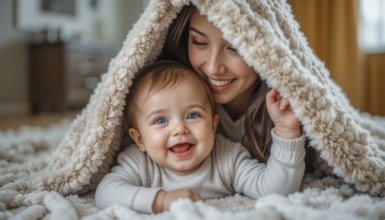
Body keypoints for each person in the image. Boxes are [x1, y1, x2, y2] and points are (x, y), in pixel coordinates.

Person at [95, 60, 306, 214]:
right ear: (139, 139)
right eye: (160, 121)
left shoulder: (227, 157)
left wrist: (287, 132)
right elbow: (105, 192)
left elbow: (276, 189)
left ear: (213, 125)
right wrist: (161, 201)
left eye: (193, 115)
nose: (179, 129)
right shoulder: (140, 163)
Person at [158, 4, 314, 166]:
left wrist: (288, 133)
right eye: (199, 42)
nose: (213, 67)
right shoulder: (163, 100)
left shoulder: (293, 110)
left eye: (235, 48)